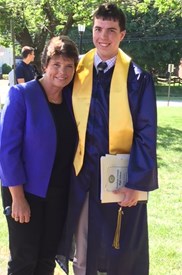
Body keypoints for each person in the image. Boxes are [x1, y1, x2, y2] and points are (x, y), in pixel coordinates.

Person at [57, 3, 158, 275]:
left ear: (122, 35)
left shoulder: (137, 79)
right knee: (83, 246)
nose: (104, 36)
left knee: (120, 249)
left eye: (111, 30)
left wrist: (137, 183)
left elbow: (146, 135)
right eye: (98, 29)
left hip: (120, 177)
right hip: (82, 176)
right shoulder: (77, 72)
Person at [0, 35, 79, 275]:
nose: (62, 72)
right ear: (44, 64)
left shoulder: (72, 100)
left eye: (68, 66)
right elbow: (7, 151)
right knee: (24, 261)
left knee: (46, 260)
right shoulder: (22, 94)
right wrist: (18, 198)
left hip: (58, 194)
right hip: (26, 193)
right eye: (56, 64)